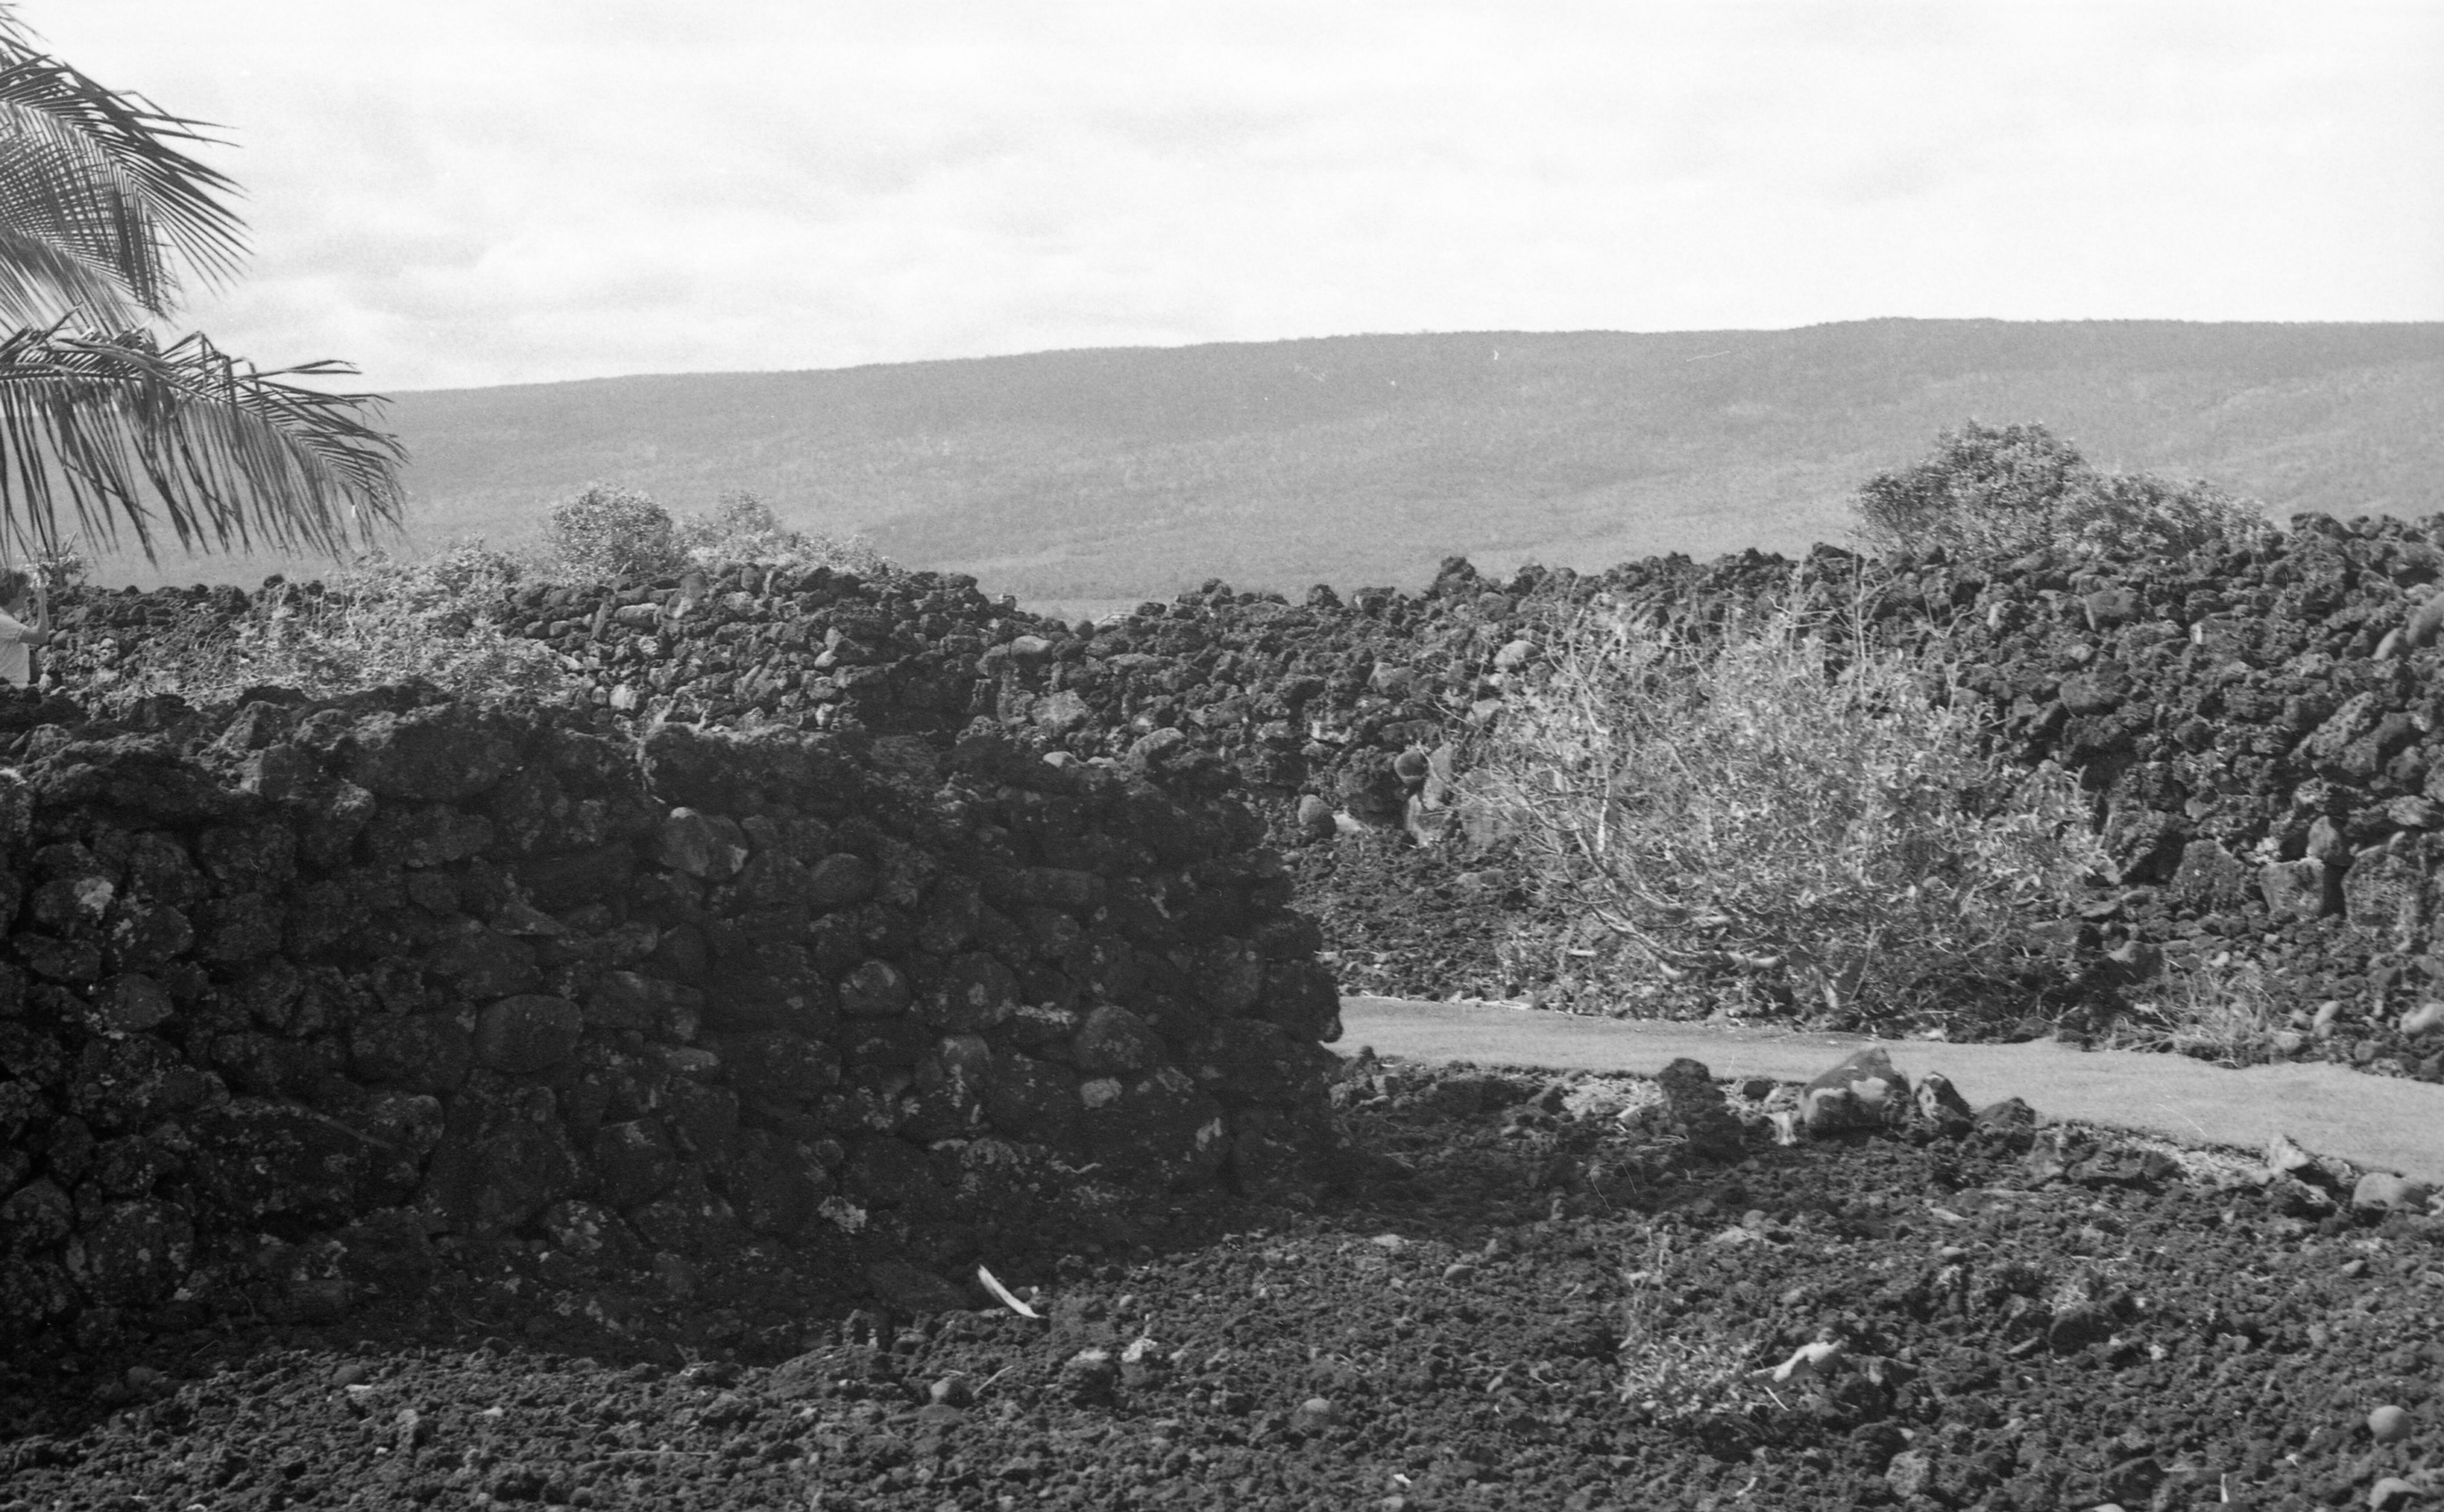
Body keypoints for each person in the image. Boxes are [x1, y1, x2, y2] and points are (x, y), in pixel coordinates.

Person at [0, 568, 54, 687]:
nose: (27, 596)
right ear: (12, 593)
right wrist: (42, 605)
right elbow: (40, 637)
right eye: (24, 591)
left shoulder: (8, 617)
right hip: (9, 690)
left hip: (13, 687)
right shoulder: (3, 620)